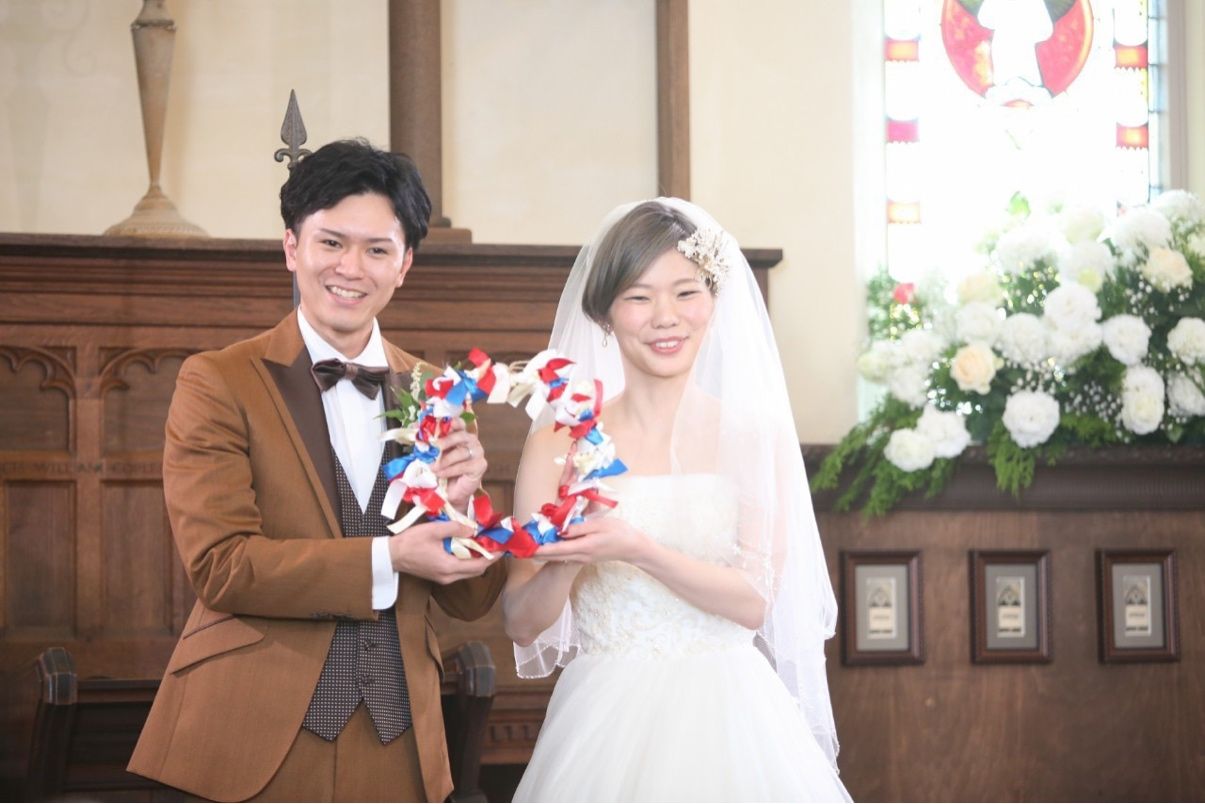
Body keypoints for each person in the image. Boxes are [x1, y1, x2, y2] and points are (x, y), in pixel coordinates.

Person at [128, 139, 506, 802]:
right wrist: (389, 557)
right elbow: (221, 567)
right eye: (331, 242)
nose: (350, 268)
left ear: (404, 265)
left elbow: (470, 600)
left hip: (401, 743)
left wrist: (468, 502)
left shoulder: (437, 391)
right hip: (251, 735)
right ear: (291, 248)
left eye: (377, 250)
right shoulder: (218, 381)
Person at [502, 199, 851, 801]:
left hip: (733, 715)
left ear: (713, 302)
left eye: (686, 292)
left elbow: (754, 602)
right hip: (605, 719)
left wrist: (636, 548)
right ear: (605, 314)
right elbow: (520, 621)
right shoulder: (559, 442)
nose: (666, 317)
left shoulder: (752, 438)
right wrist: (567, 559)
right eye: (639, 297)